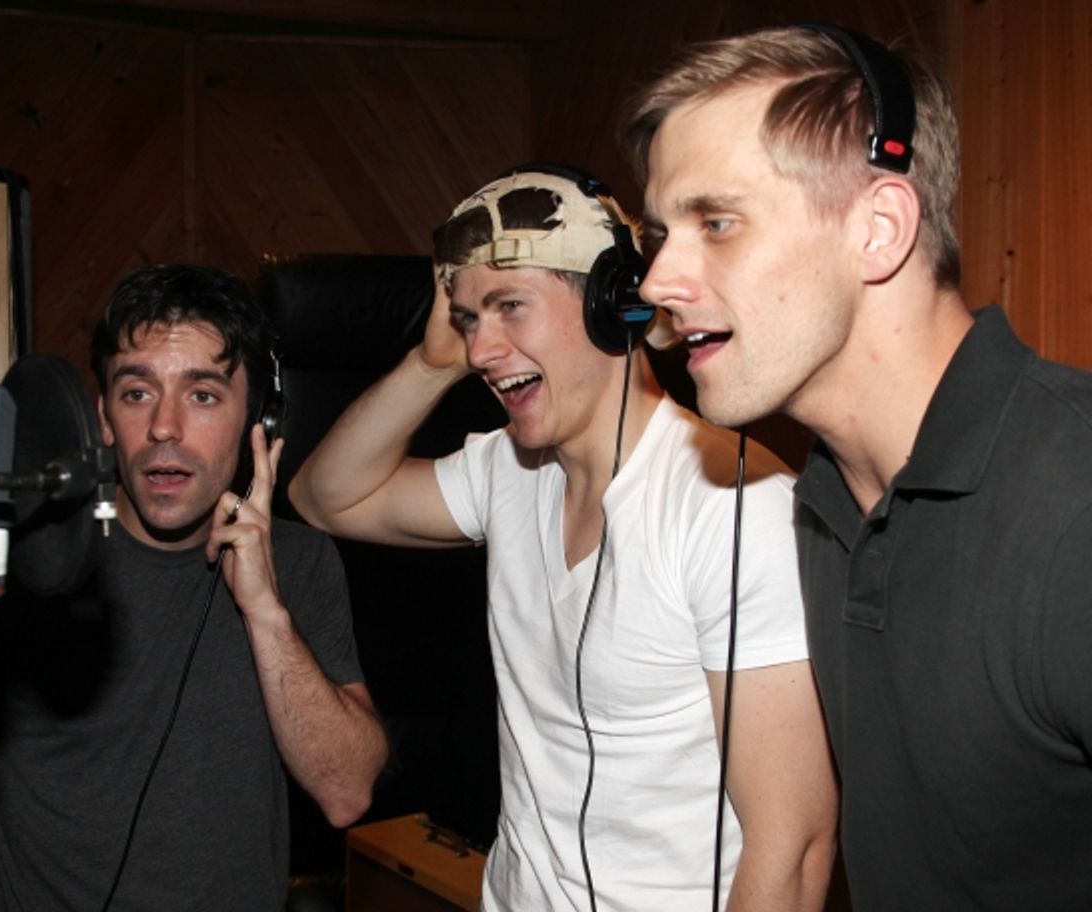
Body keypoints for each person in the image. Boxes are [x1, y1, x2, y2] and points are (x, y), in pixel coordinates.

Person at [625, 23, 1092, 911]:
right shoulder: (826, 500)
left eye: (716, 223)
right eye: (661, 233)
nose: (655, 282)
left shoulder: (1076, 503)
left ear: (879, 230)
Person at [288, 166, 837, 911]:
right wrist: (428, 364)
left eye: (510, 306)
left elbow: (793, 848)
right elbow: (325, 497)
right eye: (469, 318)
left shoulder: (734, 509)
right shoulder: (504, 470)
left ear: (613, 303)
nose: (481, 350)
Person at [0, 264, 387, 911]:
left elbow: (346, 791)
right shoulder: (19, 565)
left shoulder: (300, 562)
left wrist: (265, 611)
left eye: (202, 395)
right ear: (102, 419)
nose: (164, 427)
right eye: (136, 393)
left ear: (257, 420)